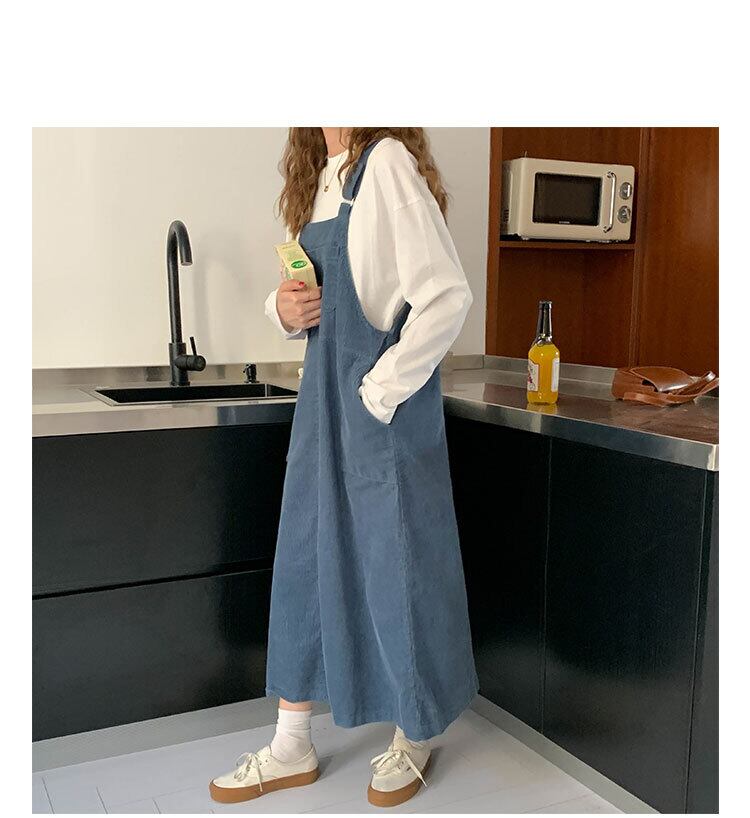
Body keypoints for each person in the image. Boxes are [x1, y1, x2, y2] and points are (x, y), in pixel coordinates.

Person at [210, 127, 478, 808]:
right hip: (321, 405)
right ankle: (291, 743)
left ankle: (414, 732)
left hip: (376, 409)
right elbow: (306, 294)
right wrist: (282, 308)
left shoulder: (385, 164)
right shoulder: (317, 180)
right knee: (304, 558)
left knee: (396, 561)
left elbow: (447, 294)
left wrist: (379, 393)